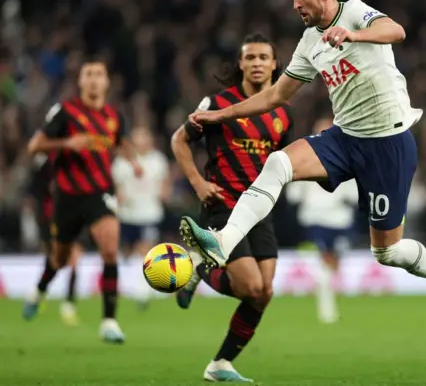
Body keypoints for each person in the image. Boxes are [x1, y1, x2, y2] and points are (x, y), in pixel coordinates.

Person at [180, 0, 426, 323]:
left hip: (388, 143)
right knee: (278, 162)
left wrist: (353, 34)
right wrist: (219, 114)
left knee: (387, 252)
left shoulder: (356, 12)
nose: (294, 4)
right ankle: (224, 241)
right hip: (344, 139)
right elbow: (275, 96)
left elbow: (397, 31)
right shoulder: (310, 41)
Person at [171, 33, 293, 382]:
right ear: (240, 64)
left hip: (260, 211)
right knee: (250, 287)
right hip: (222, 206)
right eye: (250, 57)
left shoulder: (283, 114)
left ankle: (220, 364)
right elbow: (179, 139)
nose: (256, 63)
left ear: (275, 65)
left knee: (263, 292)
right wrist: (196, 182)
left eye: (263, 58)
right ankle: (200, 267)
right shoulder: (219, 103)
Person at [23, 60, 142, 343]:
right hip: (67, 197)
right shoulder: (65, 112)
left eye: (99, 74)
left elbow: (119, 141)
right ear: (80, 82)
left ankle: (109, 321)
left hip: (100, 193)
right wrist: (66, 144)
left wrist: (133, 160)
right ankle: (39, 290)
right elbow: (34, 146)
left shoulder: (114, 116)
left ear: (106, 83)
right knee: (61, 258)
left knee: (110, 248)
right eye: (88, 75)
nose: (93, 80)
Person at [286, 116, 358, 324]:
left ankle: (326, 302)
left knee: (331, 264)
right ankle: (327, 311)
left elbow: (354, 194)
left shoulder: (347, 159)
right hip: (316, 219)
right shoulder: (304, 158)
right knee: (325, 262)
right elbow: (293, 193)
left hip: (339, 220)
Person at [112, 125, 171, 308]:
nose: (141, 141)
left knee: (146, 250)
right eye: (137, 137)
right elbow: (117, 188)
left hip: (150, 213)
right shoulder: (122, 163)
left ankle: (143, 290)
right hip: (128, 215)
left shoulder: (158, 160)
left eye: (144, 137)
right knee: (127, 252)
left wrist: (163, 194)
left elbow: (165, 184)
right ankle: (128, 285)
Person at [28, 153, 82, 326]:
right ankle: (40, 292)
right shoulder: (45, 162)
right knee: (56, 259)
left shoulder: (77, 157)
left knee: (74, 259)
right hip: (51, 216)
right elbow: (36, 191)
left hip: (73, 214)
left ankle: (68, 305)